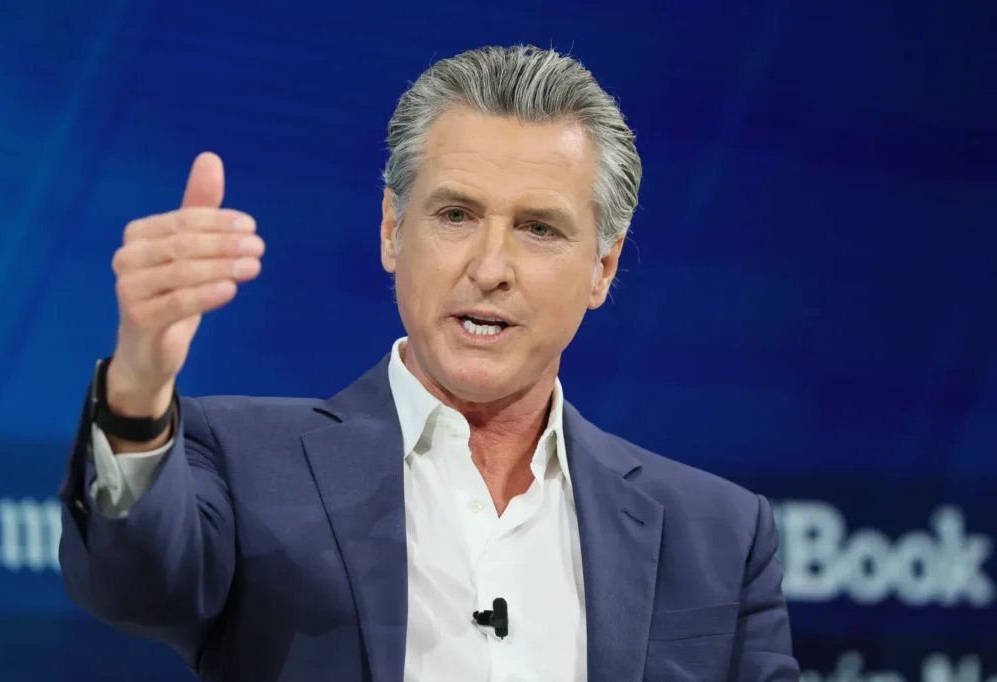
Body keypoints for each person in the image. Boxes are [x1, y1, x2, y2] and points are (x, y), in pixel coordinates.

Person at [58, 45, 799, 682]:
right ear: (391, 231)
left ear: (603, 268)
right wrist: (139, 385)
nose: (490, 266)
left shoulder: (718, 536)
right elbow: (133, 586)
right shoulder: (242, 460)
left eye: (539, 229)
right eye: (456, 215)